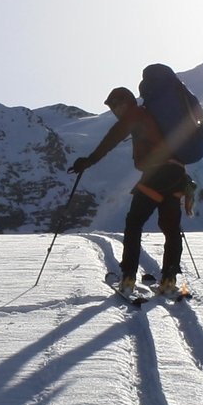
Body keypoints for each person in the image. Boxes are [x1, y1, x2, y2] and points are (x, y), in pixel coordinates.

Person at [71, 79, 192, 298]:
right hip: (177, 177)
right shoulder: (155, 116)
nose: (113, 111)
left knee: (134, 223)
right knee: (171, 229)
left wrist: (89, 161)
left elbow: (112, 138)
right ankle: (168, 281)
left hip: (157, 175)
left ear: (123, 103)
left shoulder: (135, 115)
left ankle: (128, 277)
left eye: (114, 106)